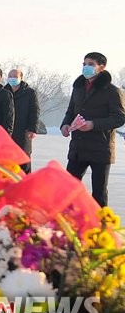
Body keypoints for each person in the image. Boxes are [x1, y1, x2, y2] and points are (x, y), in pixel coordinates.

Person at [61, 52, 125, 207]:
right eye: (84, 64)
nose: (86, 67)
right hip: (78, 147)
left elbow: (119, 118)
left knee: (99, 191)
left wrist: (93, 124)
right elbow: (71, 111)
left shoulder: (112, 91)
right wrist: (65, 125)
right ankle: (70, 223)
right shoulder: (78, 88)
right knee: (68, 187)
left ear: (101, 67)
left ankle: (100, 226)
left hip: (100, 147)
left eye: (90, 64)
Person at [6, 67, 42, 173]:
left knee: (24, 161)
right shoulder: (4, 92)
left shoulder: (30, 93)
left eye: (15, 76)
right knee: (7, 163)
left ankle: (25, 187)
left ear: (21, 78)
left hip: (23, 132)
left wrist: (33, 128)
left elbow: (35, 111)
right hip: (7, 132)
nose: (12, 79)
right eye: (10, 76)